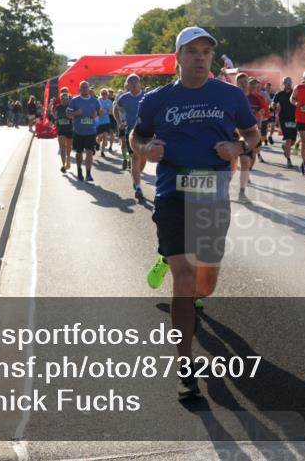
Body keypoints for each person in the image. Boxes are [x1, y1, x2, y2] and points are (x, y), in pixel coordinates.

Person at [131, 26, 258, 401]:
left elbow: (252, 135)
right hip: (172, 196)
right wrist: (145, 149)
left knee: (205, 285)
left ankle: (173, 264)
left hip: (213, 198)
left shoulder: (231, 95)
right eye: (193, 51)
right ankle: (185, 365)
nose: (201, 57)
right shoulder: (156, 100)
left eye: (206, 51)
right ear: (178, 58)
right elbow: (135, 138)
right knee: (184, 281)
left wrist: (237, 146)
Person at [115, 75, 146, 201]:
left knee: (143, 158)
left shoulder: (146, 96)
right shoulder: (124, 97)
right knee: (134, 157)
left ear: (139, 84)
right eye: (131, 82)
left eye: (136, 82)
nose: (133, 84)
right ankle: (138, 187)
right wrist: (119, 122)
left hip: (145, 131)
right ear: (127, 85)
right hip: (131, 131)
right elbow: (116, 108)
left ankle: (136, 175)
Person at [67, 81, 101, 182]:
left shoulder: (94, 100)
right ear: (79, 89)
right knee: (79, 153)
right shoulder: (74, 100)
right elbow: (68, 114)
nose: (84, 89)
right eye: (82, 87)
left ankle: (88, 173)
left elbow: (100, 111)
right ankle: (79, 170)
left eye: (86, 87)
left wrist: (97, 114)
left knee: (89, 152)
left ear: (88, 88)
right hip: (78, 131)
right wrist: (76, 112)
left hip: (91, 131)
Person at [274, 77, 298, 167]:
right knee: (288, 139)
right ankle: (288, 160)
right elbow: (273, 102)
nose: (288, 84)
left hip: (294, 119)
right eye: (286, 82)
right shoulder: (280, 94)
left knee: (293, 141)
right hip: (283, 119)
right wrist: (272, 105)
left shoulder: (294, 93)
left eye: (289, 82)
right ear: (283, 84)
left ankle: (285, 147)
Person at [51, 88, 75, 173]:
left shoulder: (71, 107)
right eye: (62, 99)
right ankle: (63, 165)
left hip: (70, 129)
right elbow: (54, 116)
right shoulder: (58, 107)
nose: (64, 100)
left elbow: (74, 116)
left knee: (69, 147)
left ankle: (68, 158)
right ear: (60, 100)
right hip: (61, 129)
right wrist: (53, 112)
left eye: (66, 99)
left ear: (68, 99)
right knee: (62, 147)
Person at [96, 88, 115, 155]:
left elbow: (111, 111)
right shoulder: (98, 101)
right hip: (99, 122)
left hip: (107, 121)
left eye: (106, 94)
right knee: (100, 136)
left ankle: (102, 151)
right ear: (100, 94)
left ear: (107, 94)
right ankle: (97, 143)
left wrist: (105, 110)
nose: (104, 95)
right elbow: (97, 111)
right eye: (103, 94)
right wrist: (102, 111)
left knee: (105, 136)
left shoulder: (109, 101)